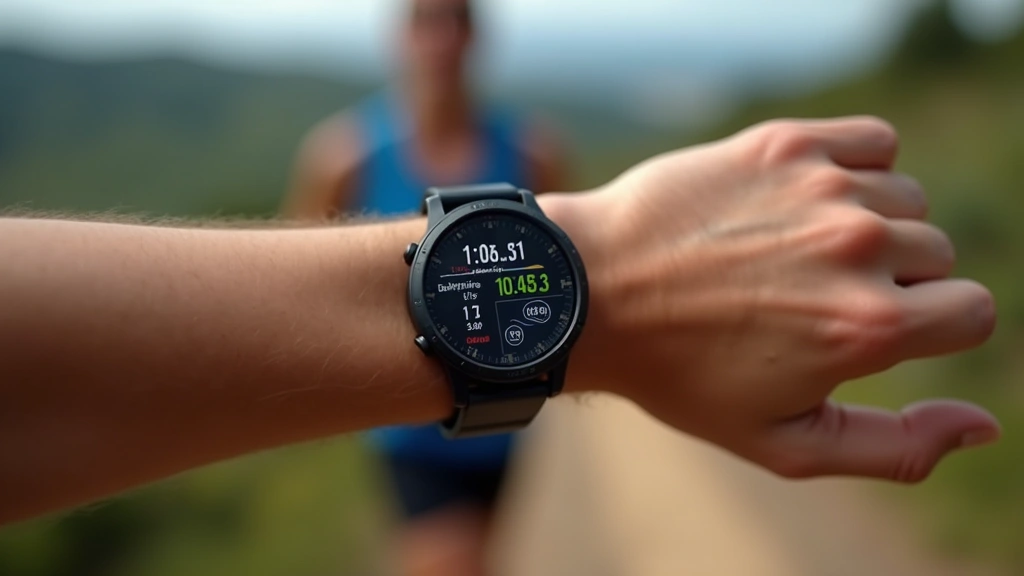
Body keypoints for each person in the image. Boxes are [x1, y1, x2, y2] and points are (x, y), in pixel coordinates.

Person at [0, 117, 1001, 532]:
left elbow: (541, 259)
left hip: (510, 402)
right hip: (408, 423)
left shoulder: (523, 137)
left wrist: (595, 281)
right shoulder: (349, 150)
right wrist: (622, 286)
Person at [282, 1, 565, 573]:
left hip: (505, 418)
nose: (440, 39)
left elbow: (558, 272)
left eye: (454, 19)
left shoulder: (536, 153)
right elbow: (293, 291)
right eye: (423, 21)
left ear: (475, 36)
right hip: (406, 430)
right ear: (401, 37)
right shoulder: (342, 157)